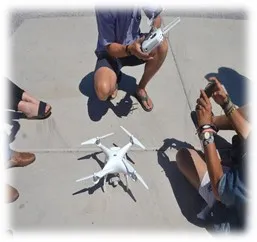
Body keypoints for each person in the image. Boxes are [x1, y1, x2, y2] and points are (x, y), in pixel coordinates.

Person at [176, 76, 249, 231]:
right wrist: (226, 103)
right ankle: (213, 121)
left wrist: (205, 131)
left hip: (234, 216)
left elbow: (218, 188)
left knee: (183, 157)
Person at [94, 7, 168, 112]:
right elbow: (109, 47)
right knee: (103, 91)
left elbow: (156, 17)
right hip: (111, 53)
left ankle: (141, 88)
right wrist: (130, 49)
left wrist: (153, 35)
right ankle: (114, 77)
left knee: (162, 45)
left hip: (135, 44)